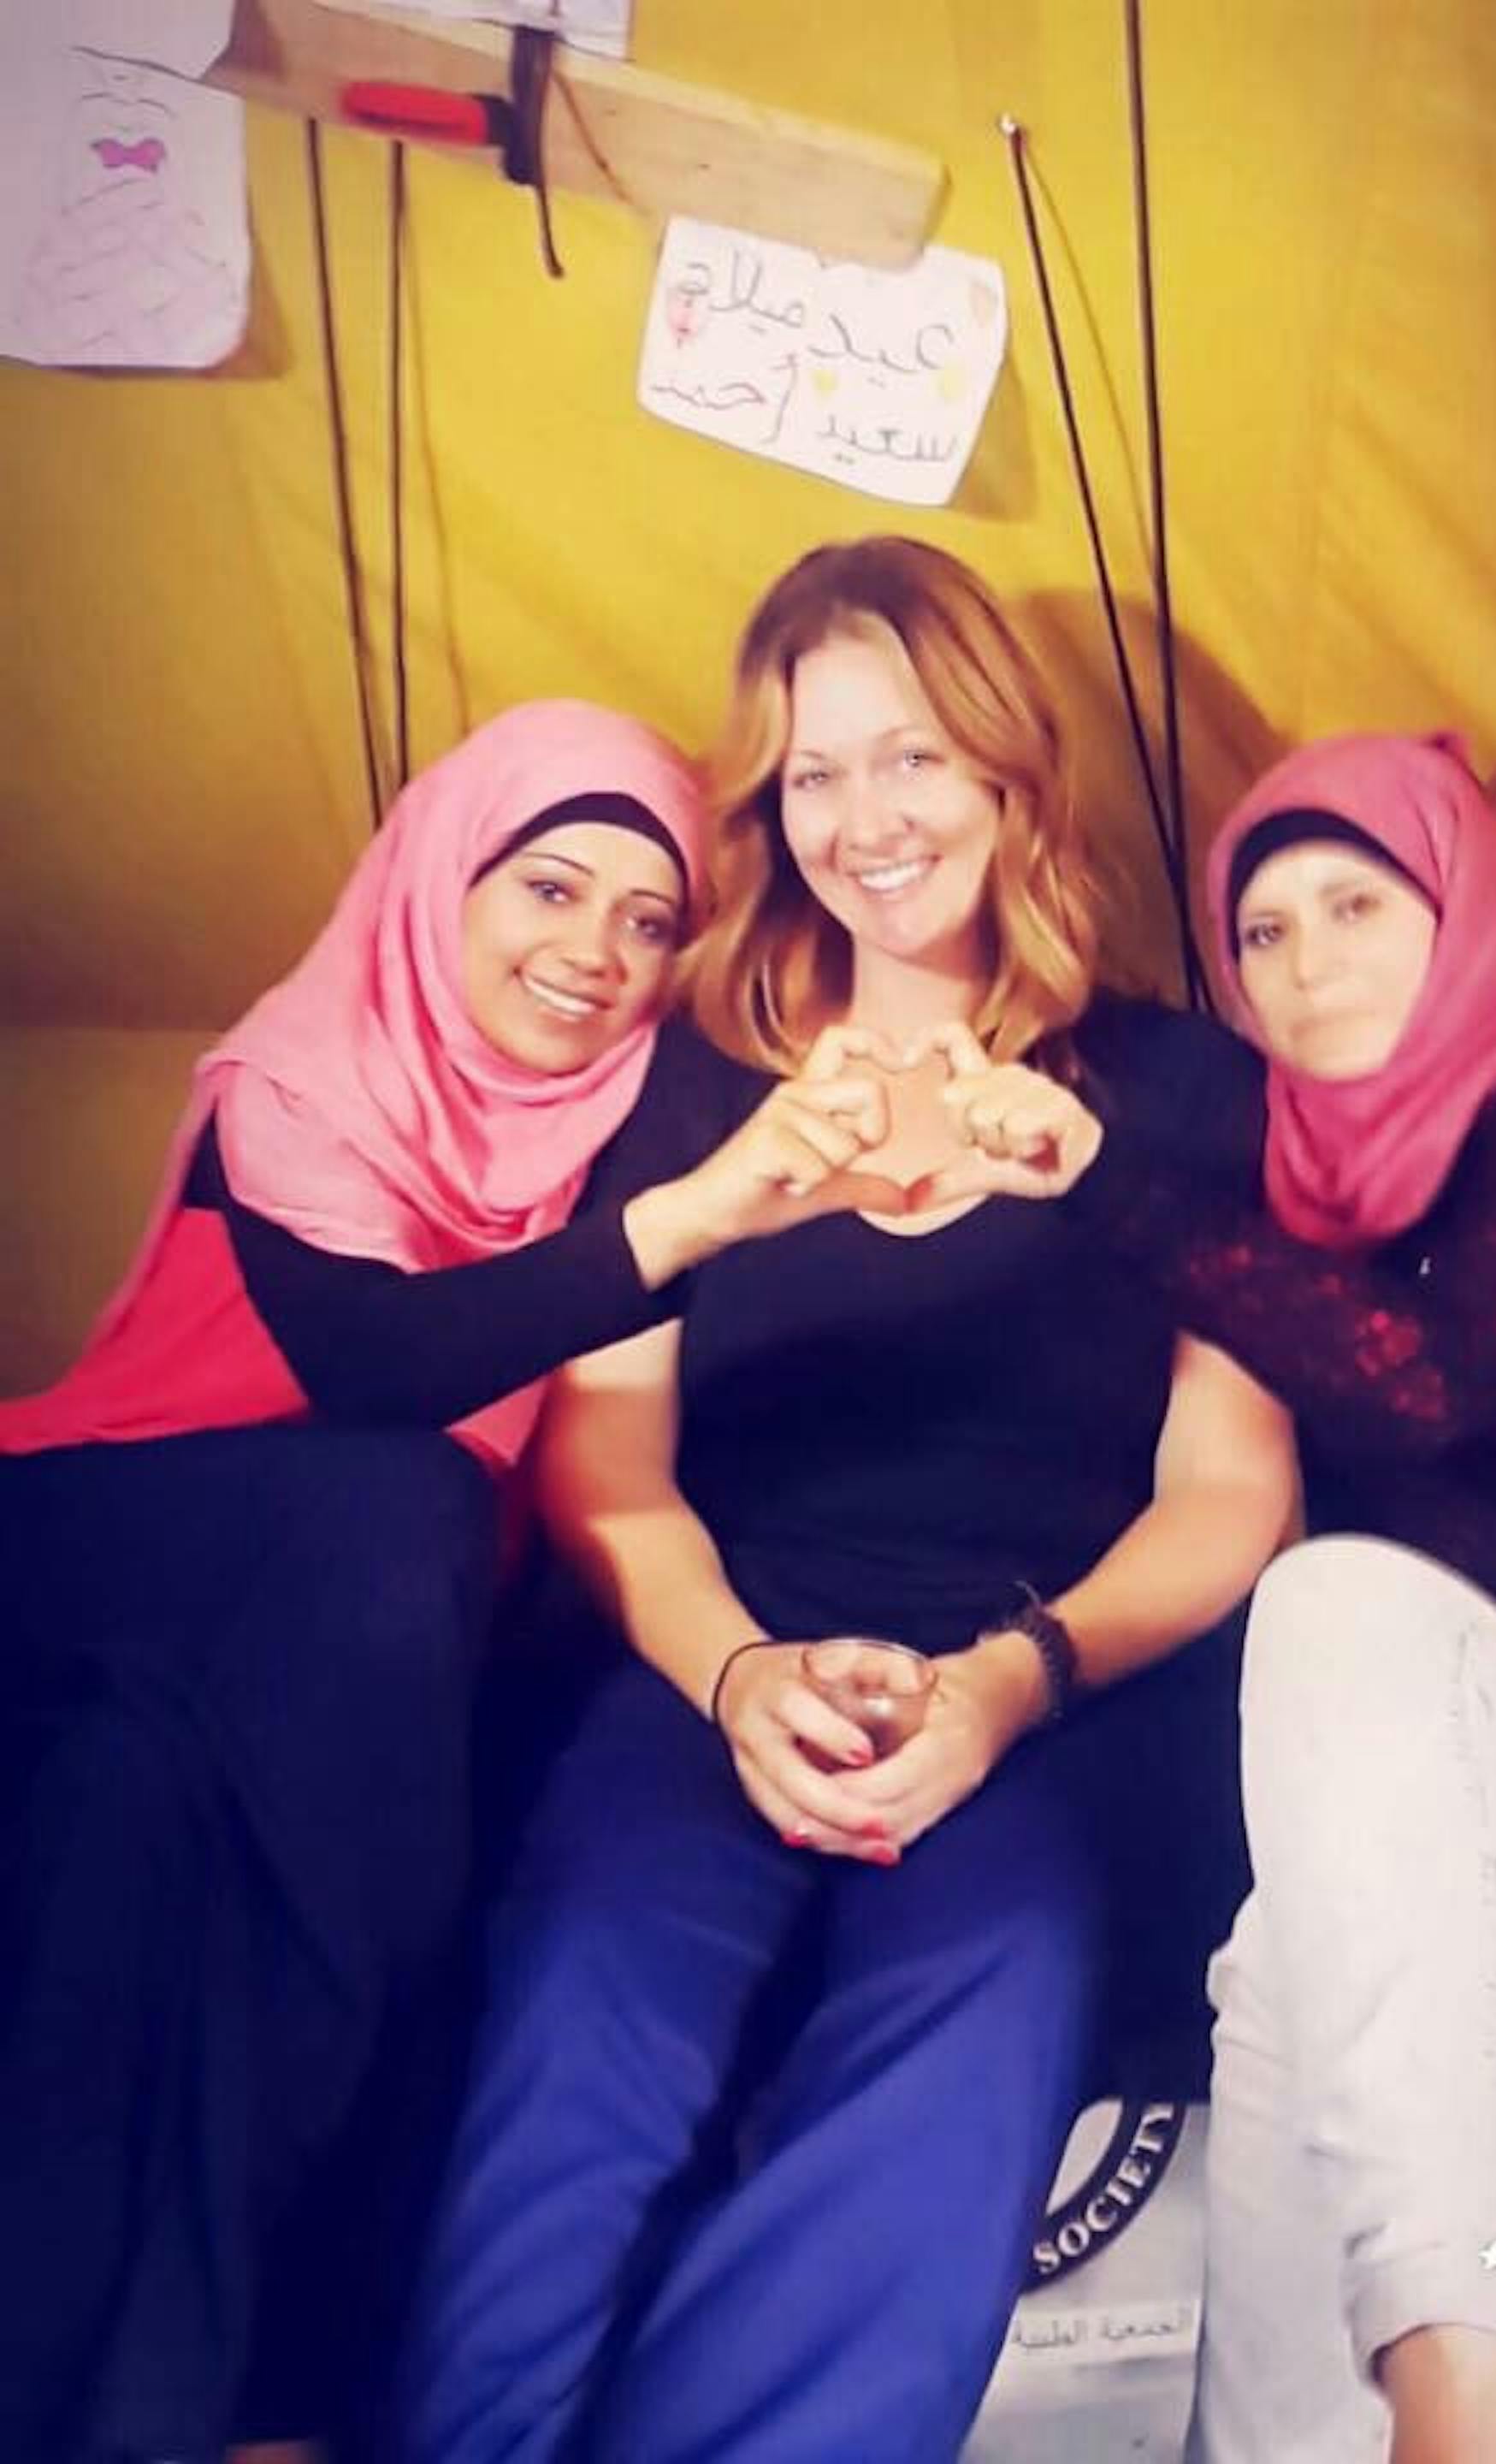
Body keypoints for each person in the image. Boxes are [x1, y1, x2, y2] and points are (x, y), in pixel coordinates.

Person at [392, 537, 1298, 2462]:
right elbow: (605, 1455)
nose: (867, 821)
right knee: (584, 2014)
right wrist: (734, 1679)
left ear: (1006, 767)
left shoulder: (1188, 1094)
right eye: (814, 774)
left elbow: (1232, 1485)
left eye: (912, 758)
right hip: (711, 1659)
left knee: (987, 2027)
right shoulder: (696, 1083)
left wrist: (1009, 1683)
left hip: (1041, 1692)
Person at [0, 698, 908, 2464]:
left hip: (322, 1679)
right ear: (442, 880)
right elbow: (376, 1362)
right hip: (110, 1545)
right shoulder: (307, 1069)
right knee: (396, 1529)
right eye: (552, 889)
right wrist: (697, 1219)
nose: (594, 953)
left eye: (649, 922)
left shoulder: (632, 1116)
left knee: (141, 1839)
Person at [937, 729, 1496, 2462]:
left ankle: (1457, 2351)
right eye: (1261, 934)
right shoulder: (1292, 1208)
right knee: (1300, 1874)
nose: (1304, 963)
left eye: (1355, 903)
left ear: (1464, 914)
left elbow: (1435, 1377)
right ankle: (1437, 2395)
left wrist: (1101, 1179)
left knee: (1320, 1949)